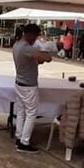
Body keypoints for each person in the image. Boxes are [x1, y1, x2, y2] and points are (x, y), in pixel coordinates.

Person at [13, 24, 53, 153]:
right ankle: (24, 142)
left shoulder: (17, 45)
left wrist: (39, 57)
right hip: (29, 86)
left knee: (21, 112)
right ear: (29, 34)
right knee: (31, 114)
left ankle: (19, 137)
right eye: (35, 37)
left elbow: (36, 60)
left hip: (19, 83)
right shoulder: (27, 48)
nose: (35, 40)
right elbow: (47, 58)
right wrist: (45, 49)